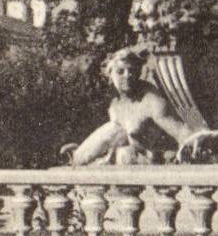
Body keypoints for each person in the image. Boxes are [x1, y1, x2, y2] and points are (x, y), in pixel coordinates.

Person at [67, 49, 195, 165]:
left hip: (157, 160)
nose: (127, 75)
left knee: (120, 141)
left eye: (132, 71)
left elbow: (177, 128)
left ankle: (76, 159)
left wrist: (192, 143)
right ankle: (77, 158)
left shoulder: (150, 98)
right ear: (110, 75)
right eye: (120, 72)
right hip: (131, 157)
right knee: (117, 134)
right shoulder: (115, 101)